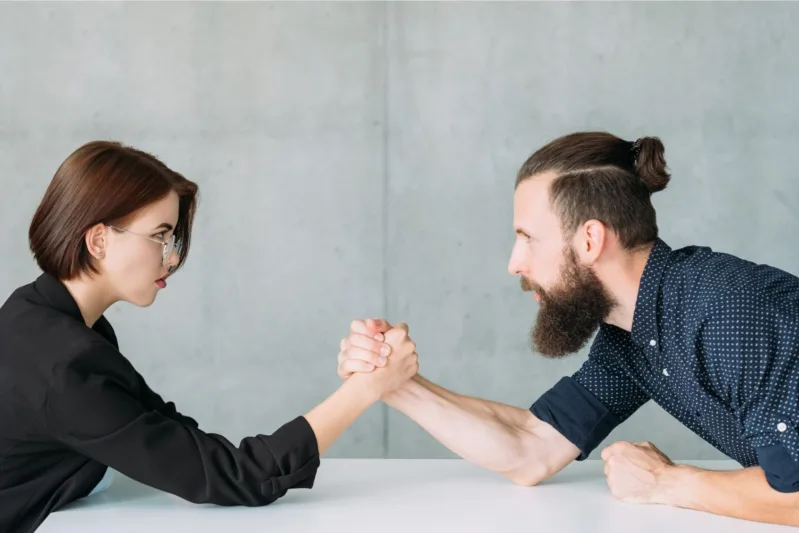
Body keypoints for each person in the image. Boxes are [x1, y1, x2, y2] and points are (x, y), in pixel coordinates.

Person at [337, 131, 799, 527]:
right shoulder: (632, 337)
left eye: (528, 238)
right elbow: (531, 447)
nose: (514, 263)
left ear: (590, 240)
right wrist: (393, 384)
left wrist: (668, 482)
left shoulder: (732, 313)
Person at [0, 141, 419, 533]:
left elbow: (165, 430)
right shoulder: (66, 367)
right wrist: (365, 389)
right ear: (98, 240)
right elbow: (234, 478)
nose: (174, 256)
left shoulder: (38, 313)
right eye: (160, 236)